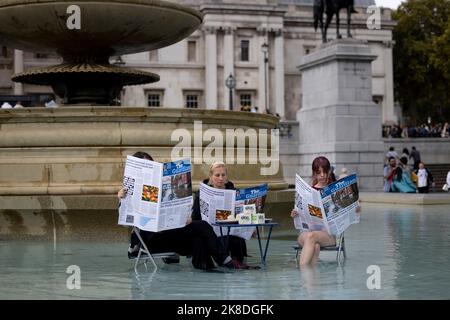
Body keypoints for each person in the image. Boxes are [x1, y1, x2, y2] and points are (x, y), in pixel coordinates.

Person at [118, 151, 235, 271]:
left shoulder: (158, 187)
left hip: (170, 234)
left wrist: (184, 218)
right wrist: (122, 200)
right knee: (202, 226)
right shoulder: (127, 191)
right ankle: (225, 261)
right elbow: (125, 224)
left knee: (199, 237)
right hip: (151, 240)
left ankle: (207, 270)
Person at [192, 161, 252, 269]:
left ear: (226, 177)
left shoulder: (235, 193)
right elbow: (195, 216)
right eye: (217, 175)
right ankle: (212, 263)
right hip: (209, 231)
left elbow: (241, 214)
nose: (220, 178)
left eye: (223, 175)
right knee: (202, 237)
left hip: (229, 231)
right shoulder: (201, 193)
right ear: (211, 176)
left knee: (235, 237)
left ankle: (235, 262)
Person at [290, 156, 348, 267]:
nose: (322, 175)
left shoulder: (334, 191)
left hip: (328, 235)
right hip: (306, 233)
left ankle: (302, 273)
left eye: (324, 172)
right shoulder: (308, 192)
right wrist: (295, 214)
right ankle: (309, 279)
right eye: (318, 172)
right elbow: (300, 214)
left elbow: (346, 212)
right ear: (314, 173)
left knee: (312, 239)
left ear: (328, 172)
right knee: (313, 243)